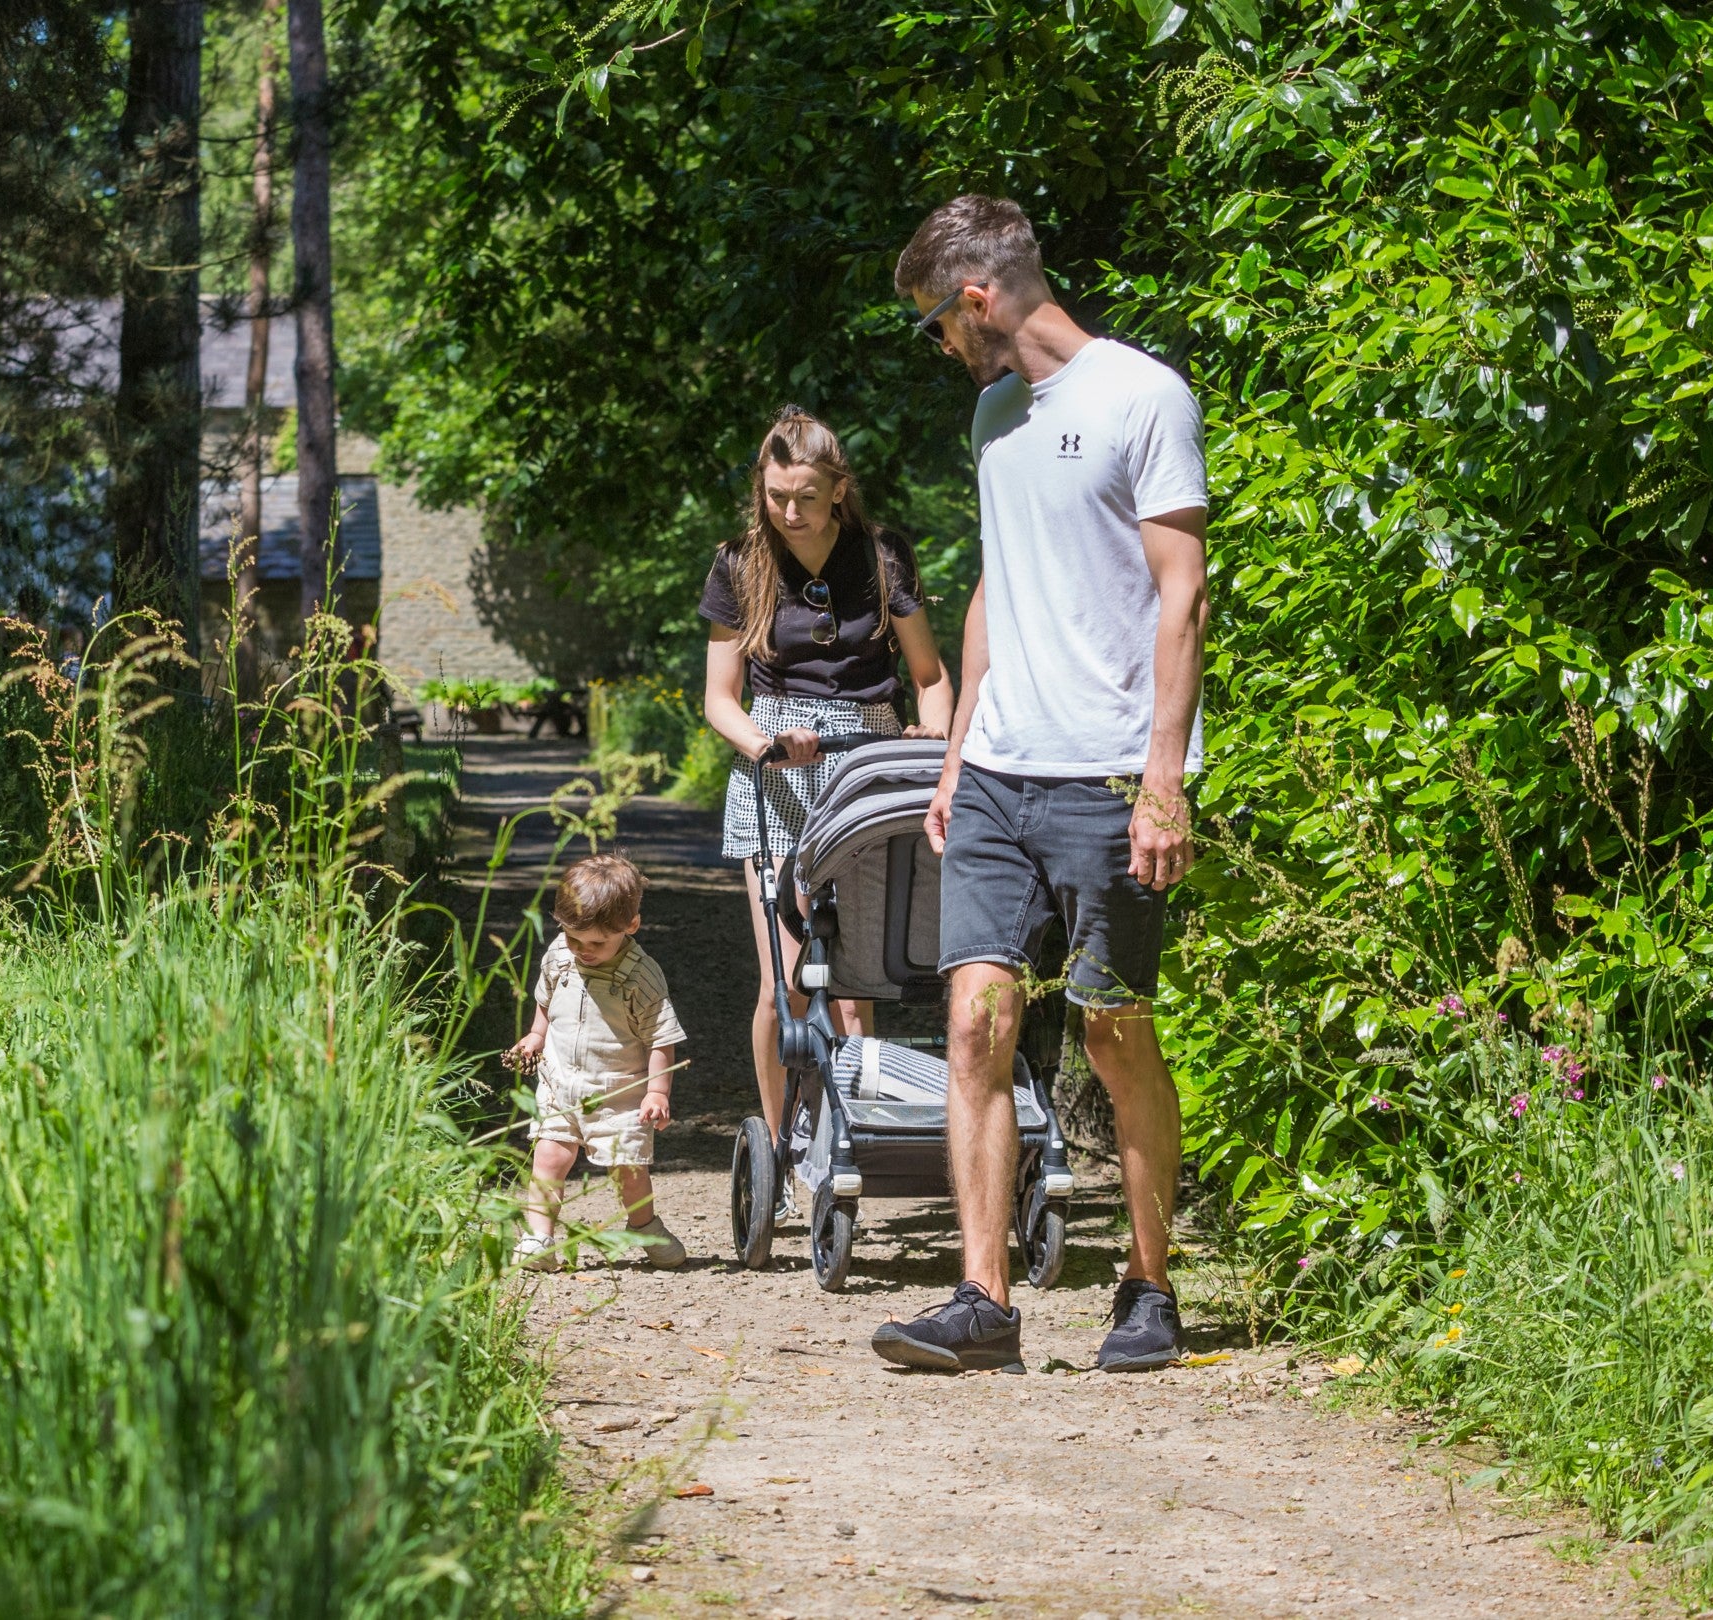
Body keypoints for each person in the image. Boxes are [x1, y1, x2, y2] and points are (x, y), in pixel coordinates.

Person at [867, 196, 1210, 1374]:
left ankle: (1150, 1286)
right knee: (974, 1022)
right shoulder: (994, 415)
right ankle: (983, 1302)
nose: (939, 351)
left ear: (976, 300)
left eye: (934, 326)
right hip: (1001, 772)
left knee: (1114, 1033)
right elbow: (992, 590)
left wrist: (1163, 779)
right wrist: (954, 752)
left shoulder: (1142, 396)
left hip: (1108, 771)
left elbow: (1184, 592)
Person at [698, 405, 955, 1166]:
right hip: (779, 773)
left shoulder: (881, 556)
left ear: (838, 489)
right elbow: (720, 697)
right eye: (777, 496)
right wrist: (767, 742)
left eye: (807, 497)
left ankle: (854, 1135)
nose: (790, 512)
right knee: (788, 979)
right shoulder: (739, 564)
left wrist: (933, 736)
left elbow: (929, 677)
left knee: (856, 976)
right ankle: (780, 1144)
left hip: (867, 759)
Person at [507, 853, 690, 1271]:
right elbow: (545, 997)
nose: (583, 950)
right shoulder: (559, 954)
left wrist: (657, 1091)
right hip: (560, 1083)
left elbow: (661, 1037)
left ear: (631, 926)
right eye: (574, 938)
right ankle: (540, 1239)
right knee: (548, 1158)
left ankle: (645, 1225)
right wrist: (537, 1036)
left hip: (619, 1093)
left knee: (628, 1169)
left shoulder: (641, 976)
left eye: (596, 943)